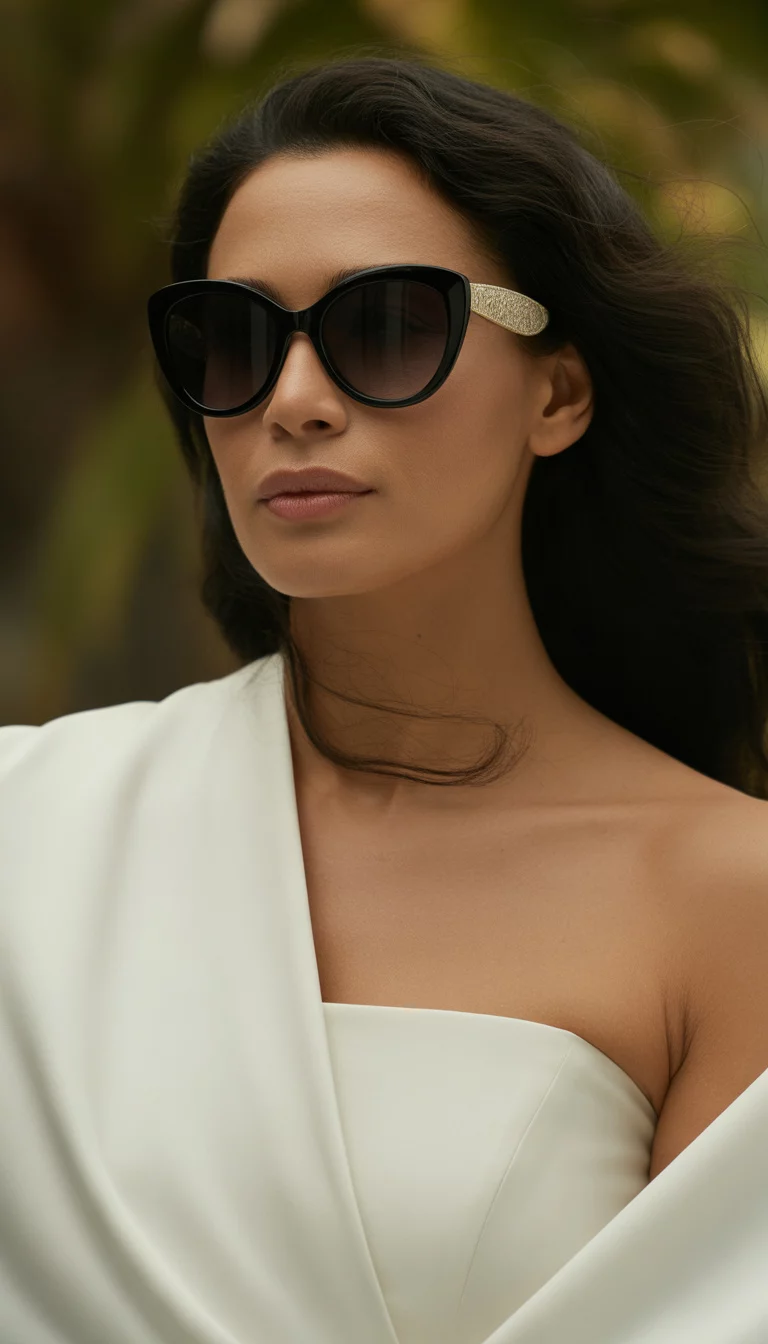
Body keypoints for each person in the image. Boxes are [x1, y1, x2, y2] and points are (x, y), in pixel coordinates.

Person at [2, 52, 768, 1344]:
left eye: (389, 327)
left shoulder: (728, 897)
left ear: (560, 391)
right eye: (233, 342)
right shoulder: (33, 826)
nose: (294, 402)